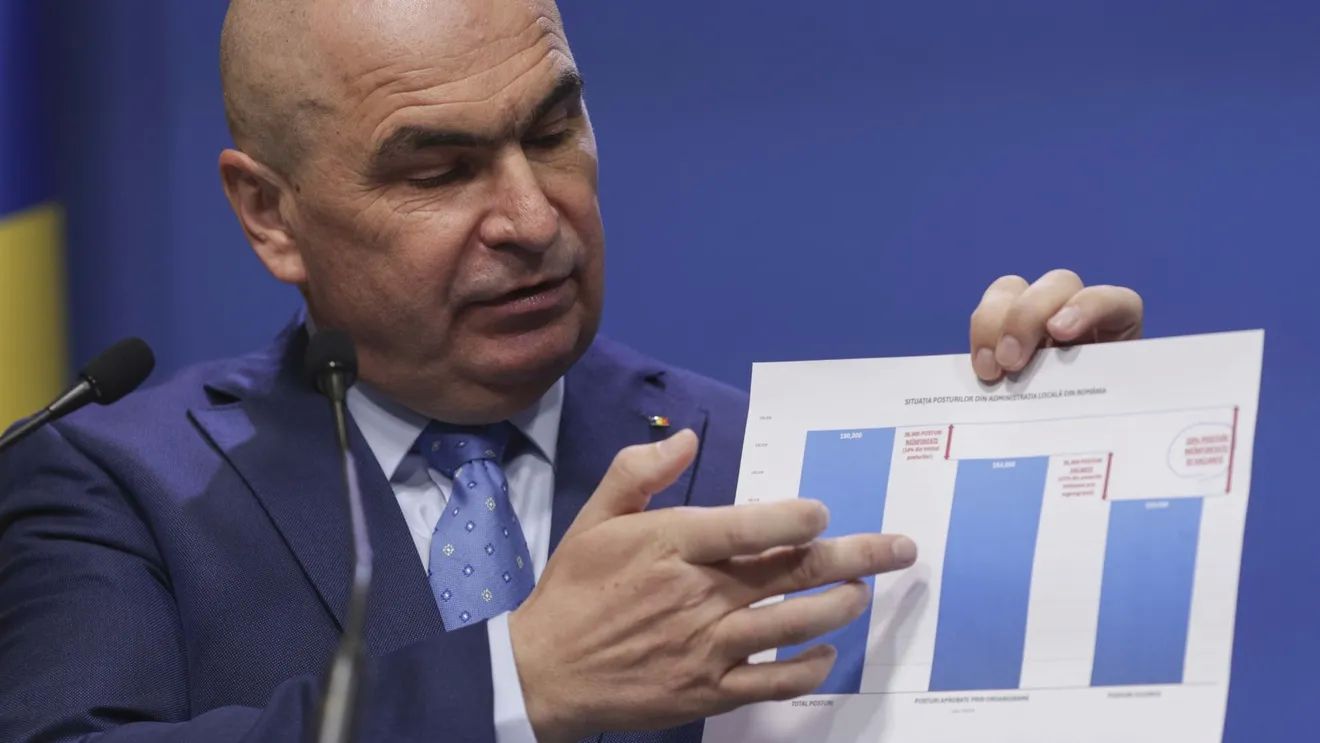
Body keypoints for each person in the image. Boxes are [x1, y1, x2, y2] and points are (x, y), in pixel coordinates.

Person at [0, 1, 1144, 741]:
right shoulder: (119, 484)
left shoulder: (764, 462)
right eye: (441, 170)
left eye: (552, 132)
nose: (535, 217)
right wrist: (517, 681)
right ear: (270, 212)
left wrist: (1068, 450)